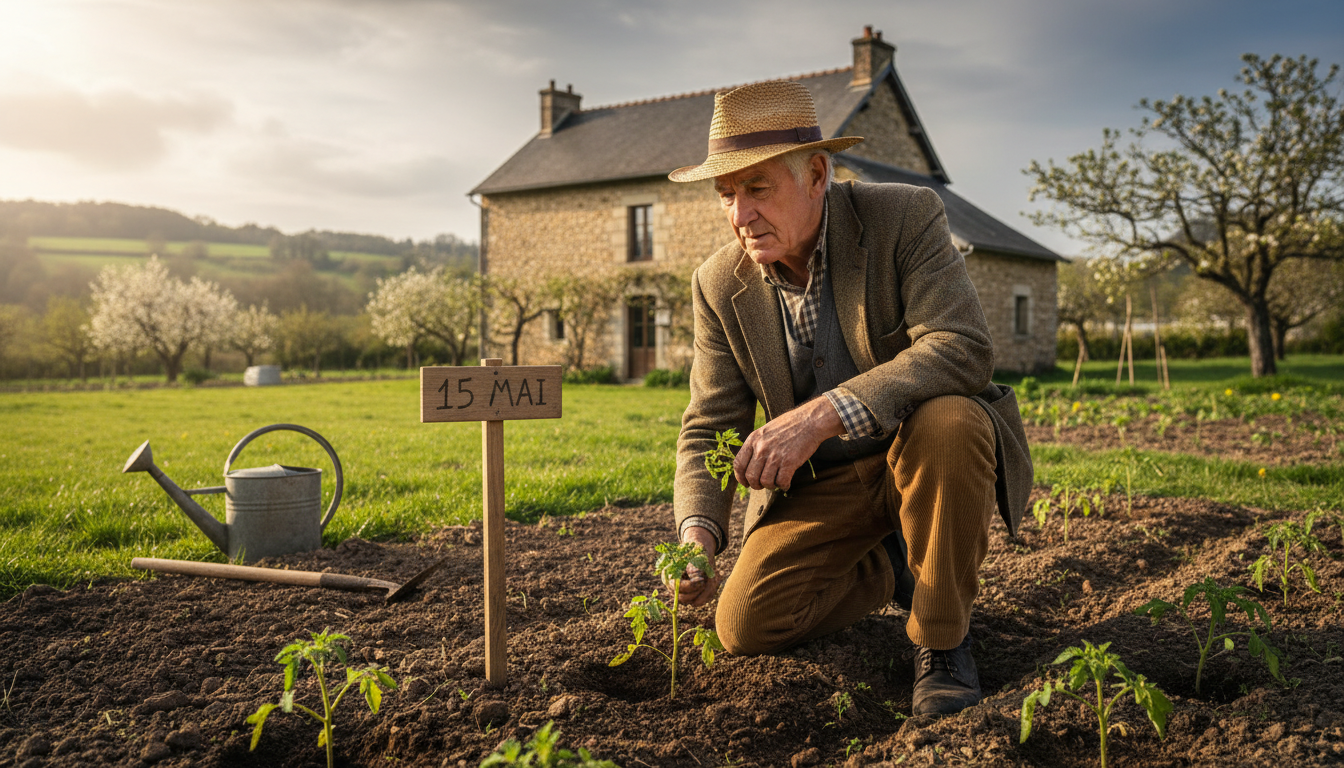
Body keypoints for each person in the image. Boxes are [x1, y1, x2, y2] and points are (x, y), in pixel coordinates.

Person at [666, 80, 1032, 716]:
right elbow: (710, 425)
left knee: (951, 419)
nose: (739, 214)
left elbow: (961, 345)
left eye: (757, 189)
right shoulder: (718, 283)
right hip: (823, 485)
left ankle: (943, 642)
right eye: (726, 194)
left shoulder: (904, 216)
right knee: (747, 627)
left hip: (920, 451)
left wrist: (824, 412)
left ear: (815, 173)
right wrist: (696, 533)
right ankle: (895, 563)